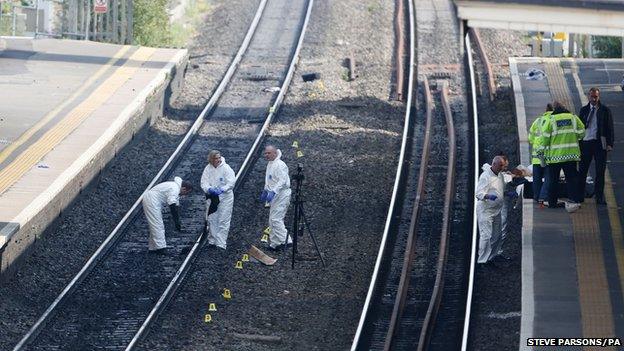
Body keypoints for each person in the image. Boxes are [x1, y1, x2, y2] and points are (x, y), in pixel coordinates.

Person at [540, 101, 585, 211]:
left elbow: (545, 137)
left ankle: (552, 202)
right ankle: (574, 200)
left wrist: (542, 151)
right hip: (571, 155)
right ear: (565, 107)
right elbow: (582, 131)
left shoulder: (551, 119)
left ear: (554, 109)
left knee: (553, 180)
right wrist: (575, 138)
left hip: (555, 157)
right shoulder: (573, 118)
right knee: (572, 179)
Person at [578, 87, 614, 205]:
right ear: (588, 96)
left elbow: (609, 127)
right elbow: (579, 128)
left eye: (596, 97)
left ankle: (599, 196)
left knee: (600, 171)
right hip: (586, 143)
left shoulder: (604, 110)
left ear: (599, 97)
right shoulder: (583, 110)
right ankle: (581, 195)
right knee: (583, 170)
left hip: (599, 143)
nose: (594, 99)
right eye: (592, 96)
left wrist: (610, 143)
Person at [142, 177, 193, 251]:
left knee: (154, 223)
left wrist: (177, 221)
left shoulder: (175, 187)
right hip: (151, 200)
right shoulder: (175, 189)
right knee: (157, 223)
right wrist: (176, 221)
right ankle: (161, 247)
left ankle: (153, 247)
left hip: (153, 200)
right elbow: (172, 205)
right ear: (184, 189)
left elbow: (176, 206)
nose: (184, 195)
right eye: (186, 193)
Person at [200, 150, 236, 250]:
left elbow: (231, 182)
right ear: (211, 159)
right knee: (212, 219)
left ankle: (221, 243)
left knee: (223, 219)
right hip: (212, 198)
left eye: (219, 158)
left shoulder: (226, 168)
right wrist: (208, 189)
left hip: (225, 198)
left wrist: (222, 189)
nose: (218, 160)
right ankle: (212, 241)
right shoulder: (208, 168)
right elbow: (204, 182)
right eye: (216, 158)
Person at [260, 145, 292, 250]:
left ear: (274, 153)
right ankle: (275, 243)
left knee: (276, 219)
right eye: (265, 153)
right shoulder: (270, 164)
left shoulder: (280, 165)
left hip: (282, 194)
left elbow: (282, 181)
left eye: (269, 153)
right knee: (272, 220)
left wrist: (273, 191)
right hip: (275, 195)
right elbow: (269, 180)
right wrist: (265, 190)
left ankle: (286, 241)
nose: (266, 155)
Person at [476, 156, 507, 264]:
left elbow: (501, 189)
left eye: (503, 166)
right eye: (500, 166)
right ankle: (482, 261)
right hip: (486, 210)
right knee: (486, 236)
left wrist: (506, 193)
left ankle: (491, 257)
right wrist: (488, 196)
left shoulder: (500, 175)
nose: (502, 168)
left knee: (497, 235)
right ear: (494, 164)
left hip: (496, 210)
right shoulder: (485, 176)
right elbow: (479, 193)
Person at [528, 104, 553, 203]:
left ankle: (536, 196)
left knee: (537, 179)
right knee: (548, 177)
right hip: (548, 156)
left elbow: (530, 138)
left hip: (536, 156)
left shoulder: (537, 121)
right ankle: (543, 197)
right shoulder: (553, 121)